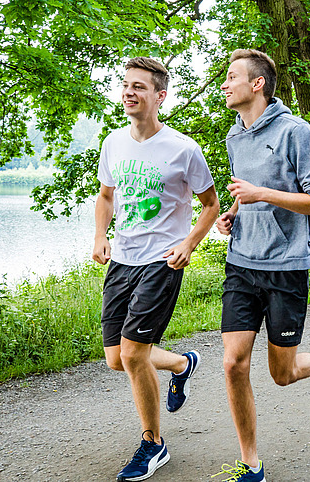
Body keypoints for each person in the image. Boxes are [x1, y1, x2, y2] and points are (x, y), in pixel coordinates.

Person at [211, 49, 310, 482]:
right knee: (233, 363)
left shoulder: (295, 131)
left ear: (257, 84)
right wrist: (234, 212)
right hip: (241, 263)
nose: (224, 84)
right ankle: (252, 464)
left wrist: (262, 195)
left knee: (282, 374)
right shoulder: (234, 137)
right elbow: (244, 191)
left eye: (232, 77)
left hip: (286, 266)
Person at [92, 56, 220, 482]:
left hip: (162, 261)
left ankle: (153, 444)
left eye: (140, 87)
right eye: (126, 85)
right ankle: (182, 365)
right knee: (117, 359)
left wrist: (188, 244)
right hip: (122, 261)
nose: (129, 92)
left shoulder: (184, 148)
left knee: (132, 354)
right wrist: (100, 235)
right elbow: (106, 196)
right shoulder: (113, 143)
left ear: (159, 96)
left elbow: (210, 205)